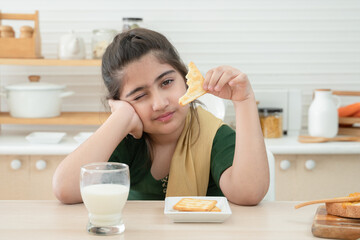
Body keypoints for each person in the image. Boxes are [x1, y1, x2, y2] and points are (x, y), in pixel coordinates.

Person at [52, 28, 269, 205]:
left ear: (185, 79)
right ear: (119, 103)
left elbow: (248, 194)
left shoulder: (215, 136)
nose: (160, 103)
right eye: (139, 96)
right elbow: (66, 190)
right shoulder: (125, 140)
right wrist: (121, 118)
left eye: (166, 83)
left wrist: (244, 101)